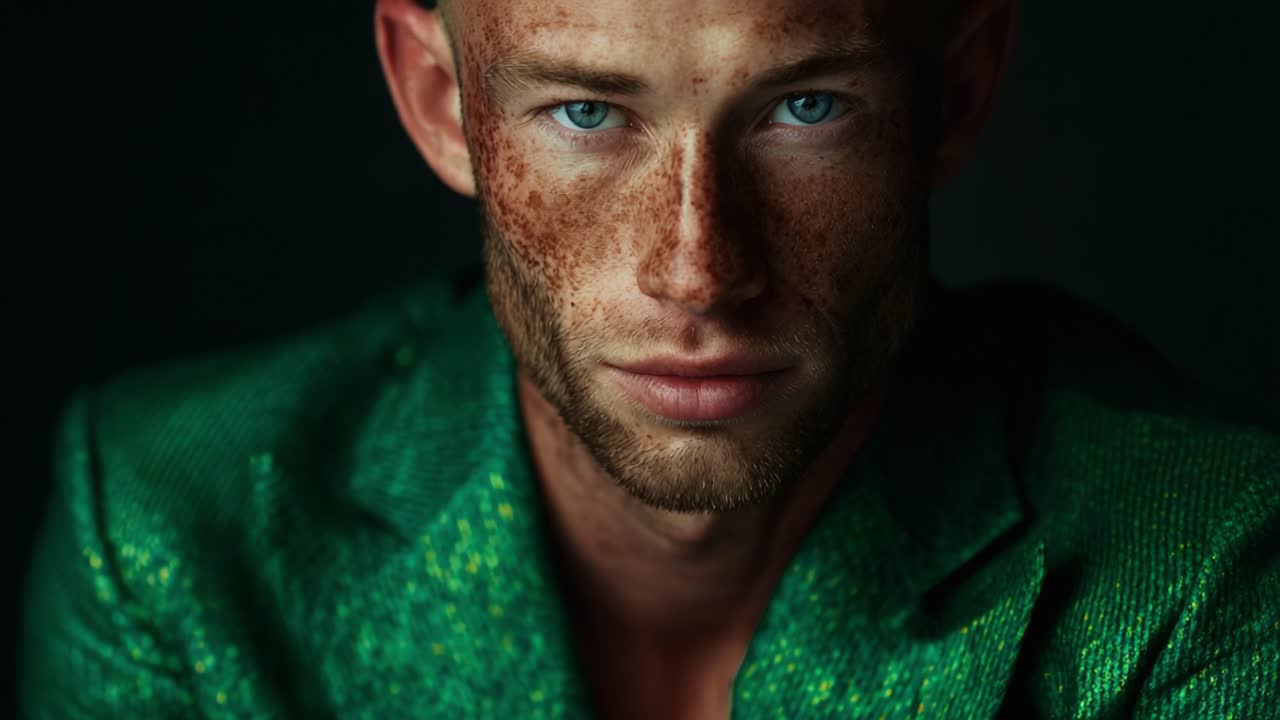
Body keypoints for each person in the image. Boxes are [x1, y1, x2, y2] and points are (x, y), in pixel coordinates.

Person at [20, 0, 1279, 717]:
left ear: (952, 95)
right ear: (438, 97)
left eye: (805, 107)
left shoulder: (1197, 564)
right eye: (585, 111)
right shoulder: (170, 531)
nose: (696, 269)